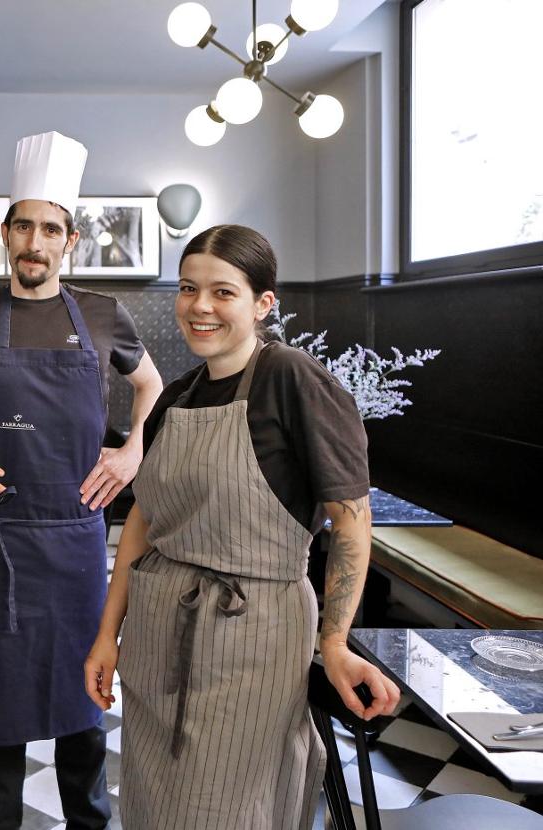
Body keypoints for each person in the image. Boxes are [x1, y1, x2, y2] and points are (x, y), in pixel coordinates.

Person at [84, 224, 401, 828]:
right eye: (187, 288)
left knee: (232, 805)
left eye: (222, 292)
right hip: (157, 637)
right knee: (154, 804)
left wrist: (333, 642)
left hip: (252, 636)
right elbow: (143, 522)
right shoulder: (177, 397)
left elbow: (352, 522)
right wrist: (108, 634)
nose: (200, 306)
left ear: (263, 303)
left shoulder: (293, 381)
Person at [0, 131, 164, 830]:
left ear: (70, 241)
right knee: (2, 716)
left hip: (80, 539)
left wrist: (132, 455)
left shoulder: (104, 316)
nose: (35, 240)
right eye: (24, 224)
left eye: (51, 228)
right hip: (6, 542)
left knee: (85, 711)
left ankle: (89, 821)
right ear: (5, 232)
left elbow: (152, 388)